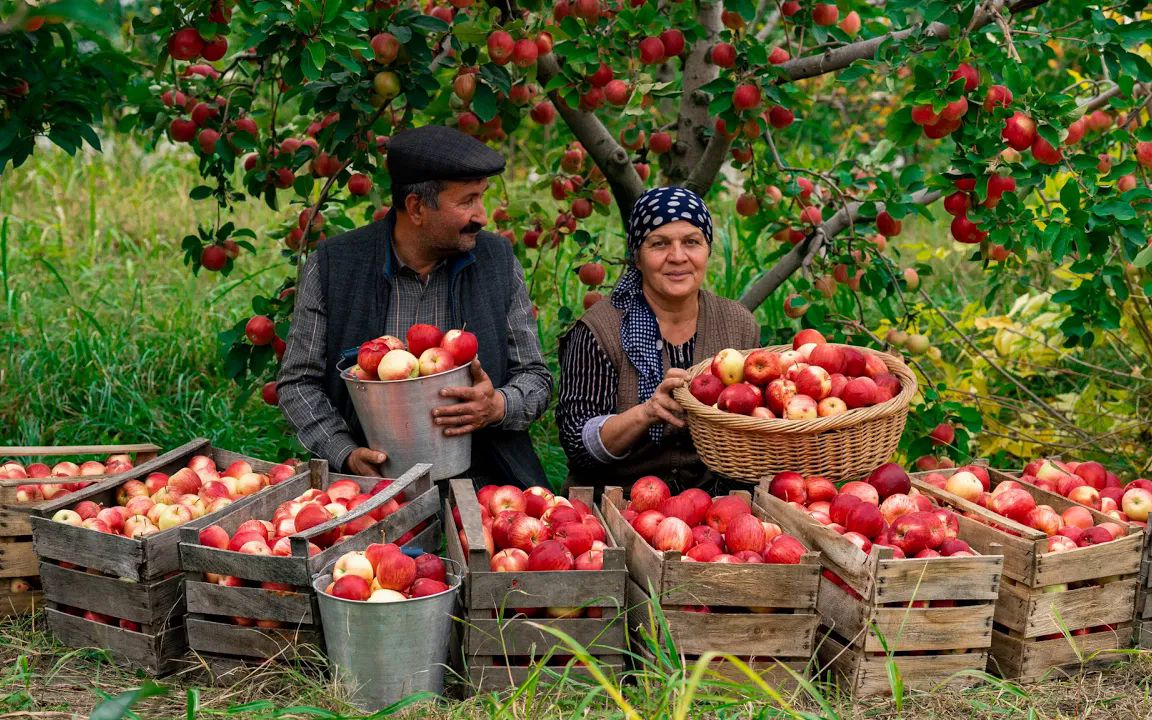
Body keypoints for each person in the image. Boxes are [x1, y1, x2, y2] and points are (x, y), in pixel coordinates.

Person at [278, 125, 552, 487]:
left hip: (485, 480)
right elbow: (298, 382)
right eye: (468, 200)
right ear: (416, 207)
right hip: (371, 486)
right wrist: (342, 451)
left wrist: (498, 406)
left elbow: (536, 376)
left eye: (482, 197)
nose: (482, 216)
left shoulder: (497, 262)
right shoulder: (335, 266)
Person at [557, 186, 759, 494]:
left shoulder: (737, 324)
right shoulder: (600, 329)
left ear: (707, 250)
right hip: (617, 504)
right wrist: (647, 412)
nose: (677, 257)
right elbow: (578, 444)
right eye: (659, 244)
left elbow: (755, 421)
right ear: (637, 257)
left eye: (691, 242)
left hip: (715, 505)